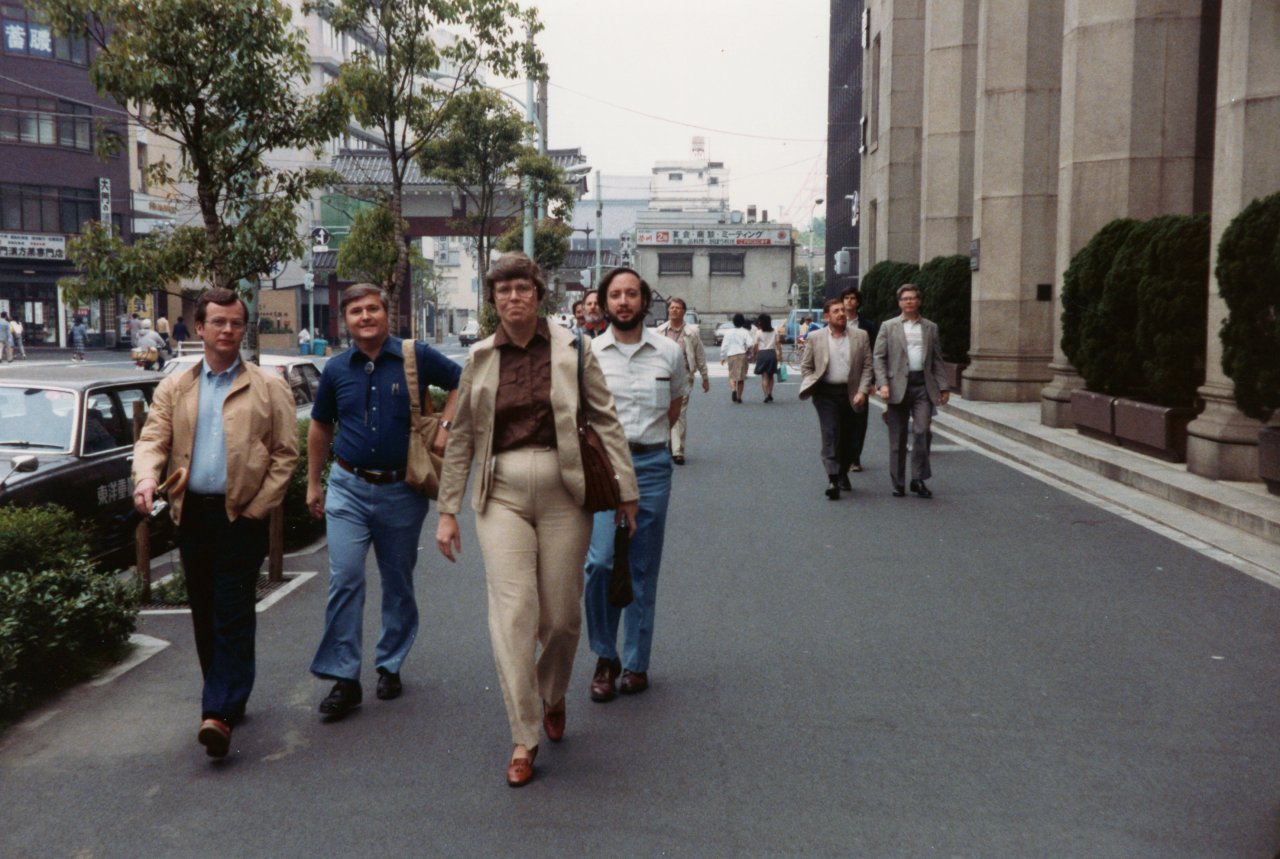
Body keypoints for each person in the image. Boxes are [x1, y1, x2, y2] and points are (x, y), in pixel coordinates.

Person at [435, 253, 638, 788]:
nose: (513, 298)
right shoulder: (479, 356)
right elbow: (461, 440)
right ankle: (523, 735)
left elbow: (606, 419)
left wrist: (627, 490)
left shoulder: (574, 348)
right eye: (503, 291)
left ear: (538, 293)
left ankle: (552, 692)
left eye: (522, 288)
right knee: (514, 614)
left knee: (563, 619)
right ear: (493, 299)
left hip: (564, 490)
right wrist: (447, 510)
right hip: (499, 494)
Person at [131, 287, 299, 759]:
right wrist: (146, 480)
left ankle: (217, 713)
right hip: (192, 515)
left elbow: (286, 455)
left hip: (241, 515)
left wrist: (257, 509)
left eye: (236, 323)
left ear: (245, 330)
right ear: (199, 328)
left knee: (232, 611)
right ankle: (227, 698)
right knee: (205, 612)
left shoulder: (269, 386)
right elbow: (152, 440)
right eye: (218, 322)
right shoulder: (176, 386)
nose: (228, 331)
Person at [306, 283, 460, 718]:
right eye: (356, 311)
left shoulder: (415, 356)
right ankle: (344, 678)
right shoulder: (336, 369)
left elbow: (462, 382)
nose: (365, 316)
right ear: (345, 320)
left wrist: (446, 425)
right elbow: (320, 427)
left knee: (397, 582)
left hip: (402, 491)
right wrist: (313, 483)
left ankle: (390, 663)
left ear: (386, 313)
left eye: (373, 308)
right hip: (348, 488)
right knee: (346, 578)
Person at [584, 267, 687, 703]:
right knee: (601, 563)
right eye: (615, 295)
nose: (623, 301)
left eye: (631, 294)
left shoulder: (669, 352)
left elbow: (676, 404)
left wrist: (647, 445)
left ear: (645, 302)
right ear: (604, 304)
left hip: (651, 464)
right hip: (603, 469)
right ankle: (604, 655)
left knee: (642, 567)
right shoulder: (587, 353)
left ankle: (635, 663)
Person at [873, 283, 950, 498]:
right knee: (897, 439)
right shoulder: (889, 326)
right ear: (899, 303)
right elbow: (878, 357)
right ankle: (898, 482)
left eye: (913, 298)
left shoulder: (930, 327)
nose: (909, 301)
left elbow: (937, 360)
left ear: (919, 301)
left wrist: (943, 387)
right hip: (897, 387)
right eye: (905, 299)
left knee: (922, 432)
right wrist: (883, 384)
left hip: (922, 387)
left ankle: (918, 478)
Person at [799, 297, 874, 500]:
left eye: (842, 310)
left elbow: (868, 366)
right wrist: (811, 382)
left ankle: (842, 473)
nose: (841, 314)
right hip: (825, 394)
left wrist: (862, 391)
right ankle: (832, 478)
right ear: (826, 316)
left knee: (850, 439)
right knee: (831, 433)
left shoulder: (861, 336)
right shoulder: (816, 337)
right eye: (836, 311)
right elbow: (806, 366)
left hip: (852, 393)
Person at [654, 297, 710, 465]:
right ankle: (668, 445)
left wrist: (705, 377)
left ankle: (678, 450)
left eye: (678, 308)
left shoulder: (691, 333)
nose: (674, 310)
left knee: (679, 413)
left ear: (684, 312)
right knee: (664, 411)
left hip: (684, 375)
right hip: (662, 376)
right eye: (672, 307)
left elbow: (700, 355)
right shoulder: (660, 331)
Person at [840, 287, 877, 472]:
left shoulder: (868, 326)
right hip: (839, 378)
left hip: (861, 378)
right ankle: (843, 455)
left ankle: (855, 458)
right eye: (846, 298)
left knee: (859, 420)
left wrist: (872, 381)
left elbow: (873, 355)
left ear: (858, 302)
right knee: (840, 421)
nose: (849, 301)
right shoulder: (835, 322)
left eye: (853, 298)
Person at [720, 313, 753, 403]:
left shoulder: (728, 332)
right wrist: (747, 348)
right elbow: (750, 343)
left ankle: (733, 389)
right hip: (742, 355)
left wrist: (723, 357)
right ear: (742, 322)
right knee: (741, 377)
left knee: (732, 375)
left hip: (731, 355)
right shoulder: (745, 332)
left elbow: (724, 346)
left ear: (733, 322)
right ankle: (739, 397)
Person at [748, 312, 781, 402]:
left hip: (762, 354)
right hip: (772, 353)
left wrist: (754, 355)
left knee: (764, 376)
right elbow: (778, 344)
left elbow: (755, 345)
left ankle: (766, 394)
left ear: (761, 323)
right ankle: (770, 392)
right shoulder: (775, 331)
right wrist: (780, 355)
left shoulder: (758, 332)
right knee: (771, 375)